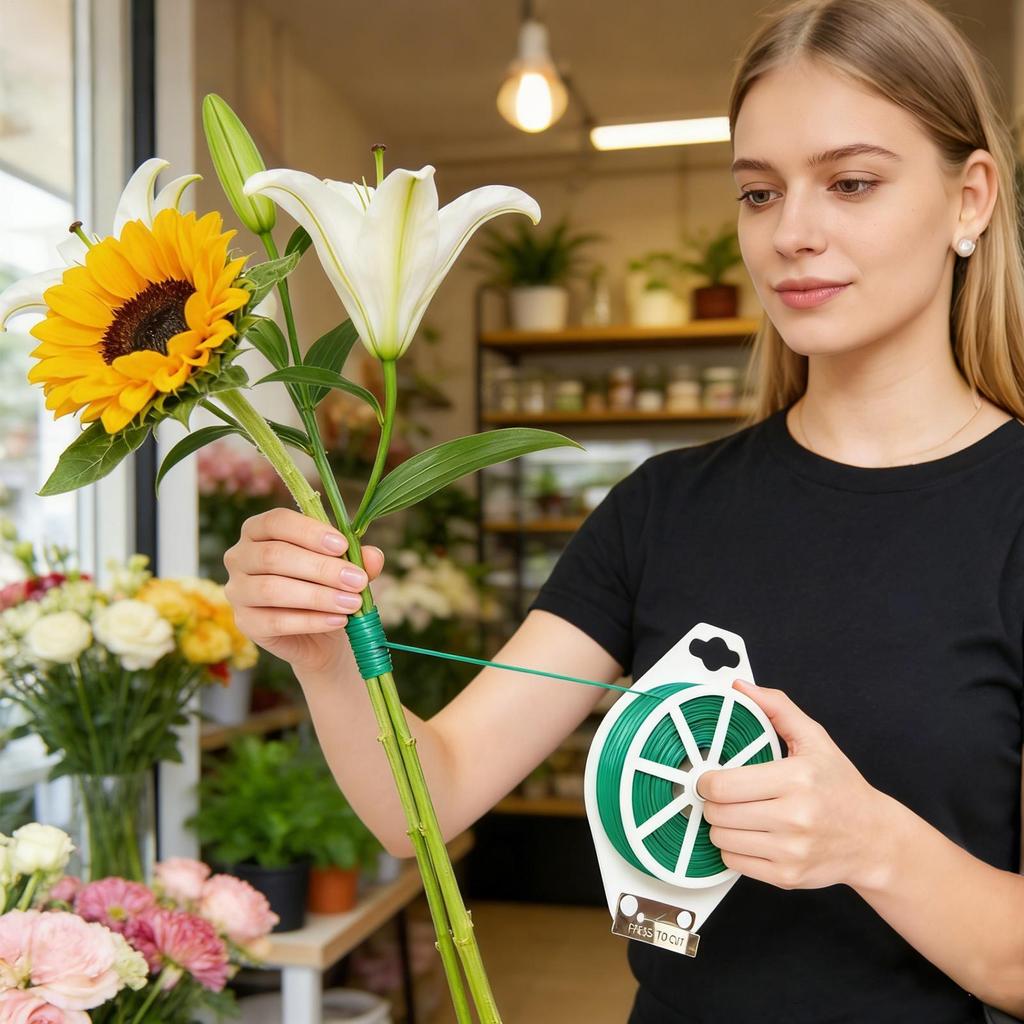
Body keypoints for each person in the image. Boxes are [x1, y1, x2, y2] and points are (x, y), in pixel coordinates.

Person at [222, 0, 1024, 1019]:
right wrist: (323, 651)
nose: (792, 233)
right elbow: (426, 798)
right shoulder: (662, 509)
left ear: (970, 200)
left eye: (851, 182)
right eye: (758, 191)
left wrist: (867, 842)